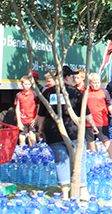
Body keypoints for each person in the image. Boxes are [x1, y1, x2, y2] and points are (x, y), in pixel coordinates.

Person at [36, 65, 98, 201]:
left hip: (53, 131)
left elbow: (41, 115)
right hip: (72, 131)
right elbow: (85, 112)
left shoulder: (48, 92)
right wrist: (93, 125)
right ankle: (83, 191)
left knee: (61, 161)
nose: (73, 79)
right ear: (67, 77)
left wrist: (40, 129)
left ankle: (64, 193)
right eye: (72, 76)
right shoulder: (75, 92)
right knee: (79, 161)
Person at [85, 73, 112, 160]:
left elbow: (109, 104)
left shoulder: (104, 92)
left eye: (98, 82)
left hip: (101, 122)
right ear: (90, 83)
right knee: (91, 143)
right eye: (94, 83)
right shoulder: (86, 92)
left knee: (106, 141)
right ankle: (96, 160)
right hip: (89, 123)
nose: (96, 84)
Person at [15, 76, 38, 147]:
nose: (27, 86)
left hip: (32, 119)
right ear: (21, 84)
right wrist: (19, 122)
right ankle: (22, 151)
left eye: (29, 84)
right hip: (23, 120)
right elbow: (17, 109)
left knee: (32, 136)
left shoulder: (34, 94)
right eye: (25, 84)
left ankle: (34, 150)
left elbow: (39, 106)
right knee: (21, 137)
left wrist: (36, 119)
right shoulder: (18, 95)